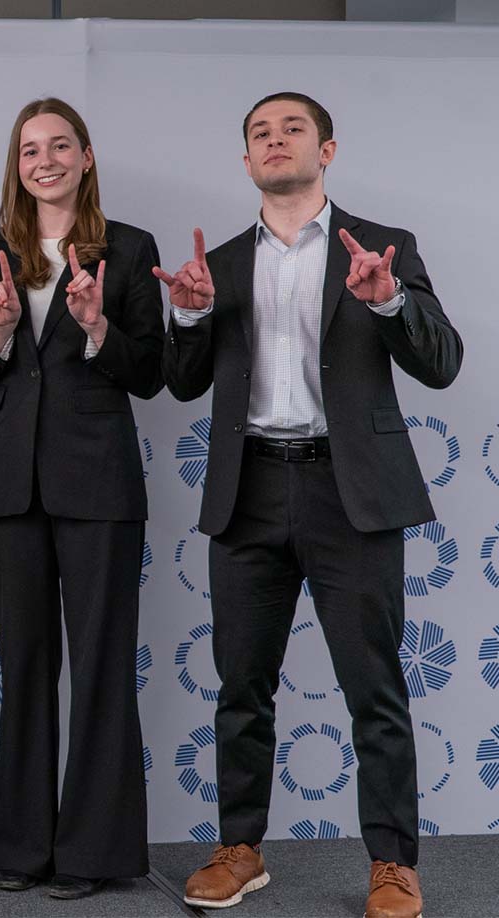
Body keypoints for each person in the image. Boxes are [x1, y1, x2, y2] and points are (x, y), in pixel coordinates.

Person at [157, 92, 461, 917]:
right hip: (248, 489)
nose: (275, 140)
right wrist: (185, 318)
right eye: (260, 132)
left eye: (293, 128)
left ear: (327, 150)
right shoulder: (217, 264)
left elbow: (444, 363)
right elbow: (183, 383)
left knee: (375, 688)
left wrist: (388, 302)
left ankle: (393, 865)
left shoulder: (384, 248)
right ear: (246, 160)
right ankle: (240, 848)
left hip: (350, 493)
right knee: (241, 687)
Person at [0, 97, 164, 899]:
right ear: (17, 163)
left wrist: (99, 327)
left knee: (102, 666)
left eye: (59, 145)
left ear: (85, 156)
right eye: (29, 148)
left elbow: (152, 375)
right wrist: (1, 331)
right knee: (26, 665)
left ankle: (94, 855)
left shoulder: (129, 249)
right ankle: (23, 849)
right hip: (12, 484)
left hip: (100, 481)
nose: (43, 159)